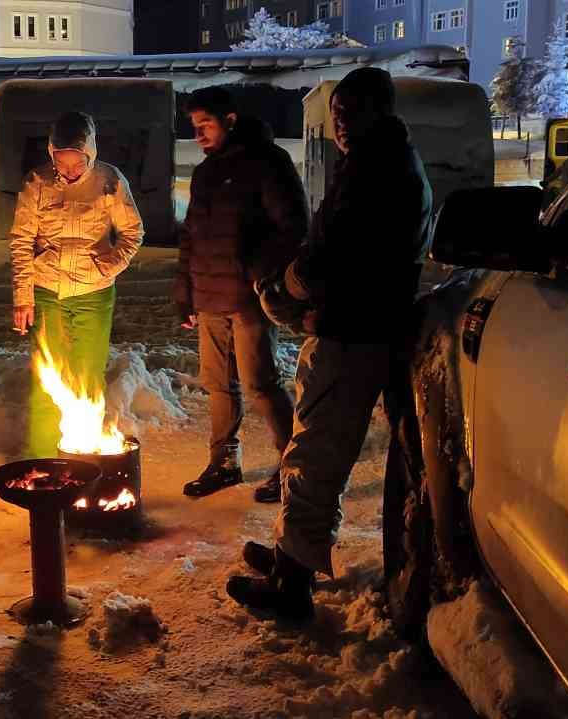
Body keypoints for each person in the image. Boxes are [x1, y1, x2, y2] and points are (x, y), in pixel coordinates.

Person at [227, 68, 432, 622]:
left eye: (350, 113)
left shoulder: (377, 170)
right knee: (315, 448)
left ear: (379, 112)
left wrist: (287, 287)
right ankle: (292, 552)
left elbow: (337, 252)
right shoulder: (381, 161)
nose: (340, 124)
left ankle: (291, 585)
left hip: (352, 332)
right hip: (353, 326)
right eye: (335, 114)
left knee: (316, 451)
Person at [173, 87, 303, 503]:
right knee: (218, 385)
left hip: (248, 298)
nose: (199, 135)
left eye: (205, 125)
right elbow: (191, 236)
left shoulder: (267, 162)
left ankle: (292, 467)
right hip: (209, 297)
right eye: (194, 128)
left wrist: (259, 272)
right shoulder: (205, 173)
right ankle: (224, 463)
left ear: (230, 120)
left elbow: (293, 226)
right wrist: (185, 293)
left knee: (260, 384)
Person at [9, 111, 144, 457]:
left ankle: (84, 453)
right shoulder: (36, 183)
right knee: (46, 375)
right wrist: (23, 297)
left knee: (87, 372)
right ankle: (41, 456)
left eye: (77, 164)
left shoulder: (110, 181)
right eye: (62, 164)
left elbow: (132, 232)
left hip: (93, 293)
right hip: (47, 290)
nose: (69, 172)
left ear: (91, 155)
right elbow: (22, 242)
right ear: (52, 155)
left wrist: (108, 266)